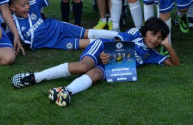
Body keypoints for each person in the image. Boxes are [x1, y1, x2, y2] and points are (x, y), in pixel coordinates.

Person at [10, 17, 179, 107]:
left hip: (113, 64)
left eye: (159, 37)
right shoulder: (136, 33)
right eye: (153, 34)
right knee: (84, 67)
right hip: (103, 48)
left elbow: (175, 64)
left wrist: (167, 45)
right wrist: (106, 53)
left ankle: (66, 91)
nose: (155, 40)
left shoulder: (153, 54)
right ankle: (35, 77)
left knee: (96, 75)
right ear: (146, 31)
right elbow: (119, 39)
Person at [6, 0, 118, 51]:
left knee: (86, 33)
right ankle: (116, 43)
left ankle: (119, 36)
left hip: (58, 27)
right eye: (23, 5)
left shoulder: (33, 6)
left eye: (27, 3)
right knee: (84, 44)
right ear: (12, 8)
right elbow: (7, 42)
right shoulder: (12, 25)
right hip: (55, 43)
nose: (27, 6)